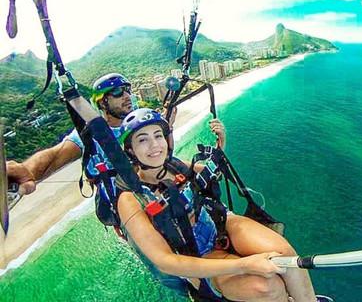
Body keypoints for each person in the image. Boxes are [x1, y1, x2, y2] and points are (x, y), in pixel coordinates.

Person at [116, 108, 333, 302]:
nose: (155, 145)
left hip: (220, 223)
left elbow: (211, 169)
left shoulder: (174, 165)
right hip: (196, 253)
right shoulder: (130, 199)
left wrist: (221, 144)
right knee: (265, 288)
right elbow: (164, 261)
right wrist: (244, 265)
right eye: (143, 140)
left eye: (158, 136)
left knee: (285, 255)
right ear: (131, 150)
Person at [6, 73, 139, 194]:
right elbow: (55, 156)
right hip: (122, 204)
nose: (127, 96)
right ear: (102, 102)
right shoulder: (91, 133)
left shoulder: (141, 123)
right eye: (118, 92)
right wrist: (26, 171)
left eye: (127, 90)